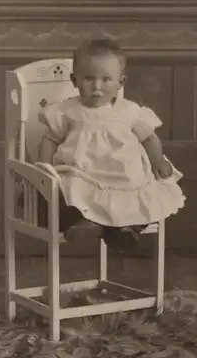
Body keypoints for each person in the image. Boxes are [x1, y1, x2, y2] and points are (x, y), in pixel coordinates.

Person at [37, 38, 185, 252]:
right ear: (74, 80)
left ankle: (127, 230)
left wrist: (157, 159)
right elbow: (50, 139)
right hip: (80, 172)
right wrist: (43, 166)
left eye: (106, 79)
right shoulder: (65, 110)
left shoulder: (130, 111)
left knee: (141, 194)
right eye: (88, 78)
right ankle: (84, 226)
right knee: (66, 194)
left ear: (120, 82)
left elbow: (149, 137)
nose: (97, 86)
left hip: (121, 174)